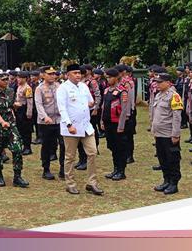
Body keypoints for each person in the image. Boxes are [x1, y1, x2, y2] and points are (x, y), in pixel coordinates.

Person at [56, 63, 103, 196]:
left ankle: (92, 183)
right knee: (70, 156)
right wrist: (69, 124)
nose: (78, 75)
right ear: (67, 75)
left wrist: (90, 104)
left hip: (86, 126)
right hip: (71, 127)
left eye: (79, 73)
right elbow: (62, 108)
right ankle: (70, 183)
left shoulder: (83, 86)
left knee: (92, 152)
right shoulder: (63, 88)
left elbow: (90, 102)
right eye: (75, 73)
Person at [0, 72, 29, 187]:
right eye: (4, 79)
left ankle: (17, 177)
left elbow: (10, 105)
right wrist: (2, 122)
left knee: (17, 149)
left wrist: (15, 105)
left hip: (11, 125)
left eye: (8, 79)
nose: (7, 81)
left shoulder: (11, 91)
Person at [151, 73, 183, 195]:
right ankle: (166, 180)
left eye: (160, 82)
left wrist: (175, 134)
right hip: (159, 134)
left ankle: (174, 183)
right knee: (162, 158)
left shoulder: (174, 96)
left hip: (169, 134)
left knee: (172, 160)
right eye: (157, 82)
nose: (157, 84)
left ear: (168, 83)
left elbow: (176, 117)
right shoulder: (158, 95)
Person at [100, 68, 130, 181]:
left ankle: (121, 171)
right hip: (108, 123)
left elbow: (124, 110)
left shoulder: (122, 91)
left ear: (116, 77)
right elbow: (104, 107)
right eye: (107, 77)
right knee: (112, 147)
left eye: (110, 77)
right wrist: (102, 121)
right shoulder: (107, 90)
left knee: (120, 148)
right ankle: (115, 169)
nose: (108, 79)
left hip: (117, 124)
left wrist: (121, 126)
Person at [35, 66, 64, 180]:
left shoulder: (59, 86)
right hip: (46, 122)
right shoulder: (40, 88)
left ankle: (63, 169)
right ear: (43, 75)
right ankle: (46, 169)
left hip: (60, 120)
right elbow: (39, 104)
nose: (53, 76)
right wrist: (45, 117)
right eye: (49, 74)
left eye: (53, 74)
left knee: (63, 145)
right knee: (46, 145)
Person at [15, 71, 34, 155]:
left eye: (19, 77)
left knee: (26, 130)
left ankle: (27, 147)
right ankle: (23, 146)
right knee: (20, 129)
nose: (18, 79)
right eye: (18, 77)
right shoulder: (19, 86)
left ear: (25, 78)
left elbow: (30, 102)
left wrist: (29, 113)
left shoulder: (28, 88)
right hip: (18, 110)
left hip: (24, 110)